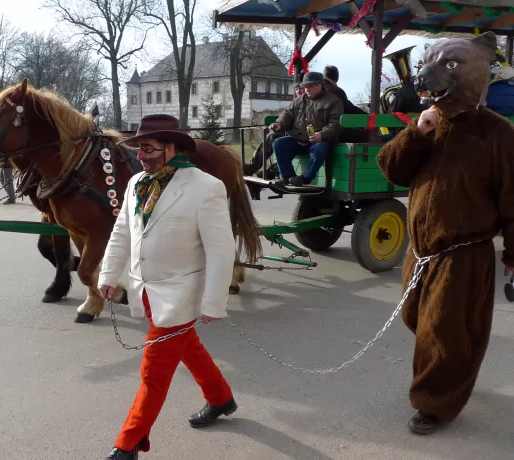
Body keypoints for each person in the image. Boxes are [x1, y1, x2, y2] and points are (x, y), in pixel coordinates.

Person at [377, 32, 514, 435]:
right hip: (421, 251)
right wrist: (416, 132)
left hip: (464, 253)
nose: (428, 74)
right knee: (418, 318)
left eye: (448, 65)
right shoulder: (430, 124)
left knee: (443, 329)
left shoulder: (497, 133)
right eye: (428, 62)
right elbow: (391, 170)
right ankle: (456, 369)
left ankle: (435, 403)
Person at [97, 114, 238, 460]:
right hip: (144, 290)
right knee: (187, 347)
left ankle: (127, 445)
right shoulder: (135, 184)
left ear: (171, 148)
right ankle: (221, 398)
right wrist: (108, 275)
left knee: (153, 372)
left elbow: (222, 250)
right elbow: (121, 233)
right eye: (138, 149)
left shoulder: (206, 187)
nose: (140, 156)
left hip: (180, 295)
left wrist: (213, 302)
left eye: (147, 149)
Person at [271, 71, 344, 186]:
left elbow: (336, 124)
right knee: (278, 143)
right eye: (305, 87)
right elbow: (287, 115)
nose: (306, 90)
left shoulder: (333, 101)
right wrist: (279, 124)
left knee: (320, 148)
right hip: (299, 140)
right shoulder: (298, 101)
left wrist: (322, 135)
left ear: (319, 85)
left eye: (310, 86)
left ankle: (307, 177)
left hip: (320, 141)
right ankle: (288, 177)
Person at [243, 84, 304, 179]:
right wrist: (278, 124)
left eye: (301, 89)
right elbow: (285, 116)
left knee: (284, 146)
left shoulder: (310, 103)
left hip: (302, 137)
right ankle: (251, 167)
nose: (299, 91)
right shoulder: (295, 103)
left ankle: (271, 172)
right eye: (297, 89)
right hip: (290, 134)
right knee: (272, 136)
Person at [322, 65, 370, 143]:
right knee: (369, 135)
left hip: (323, 129)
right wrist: (368, 116)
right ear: (337, 77)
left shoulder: (320, 89)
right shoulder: (336, 91)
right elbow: (350, 109)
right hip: (334, 130)